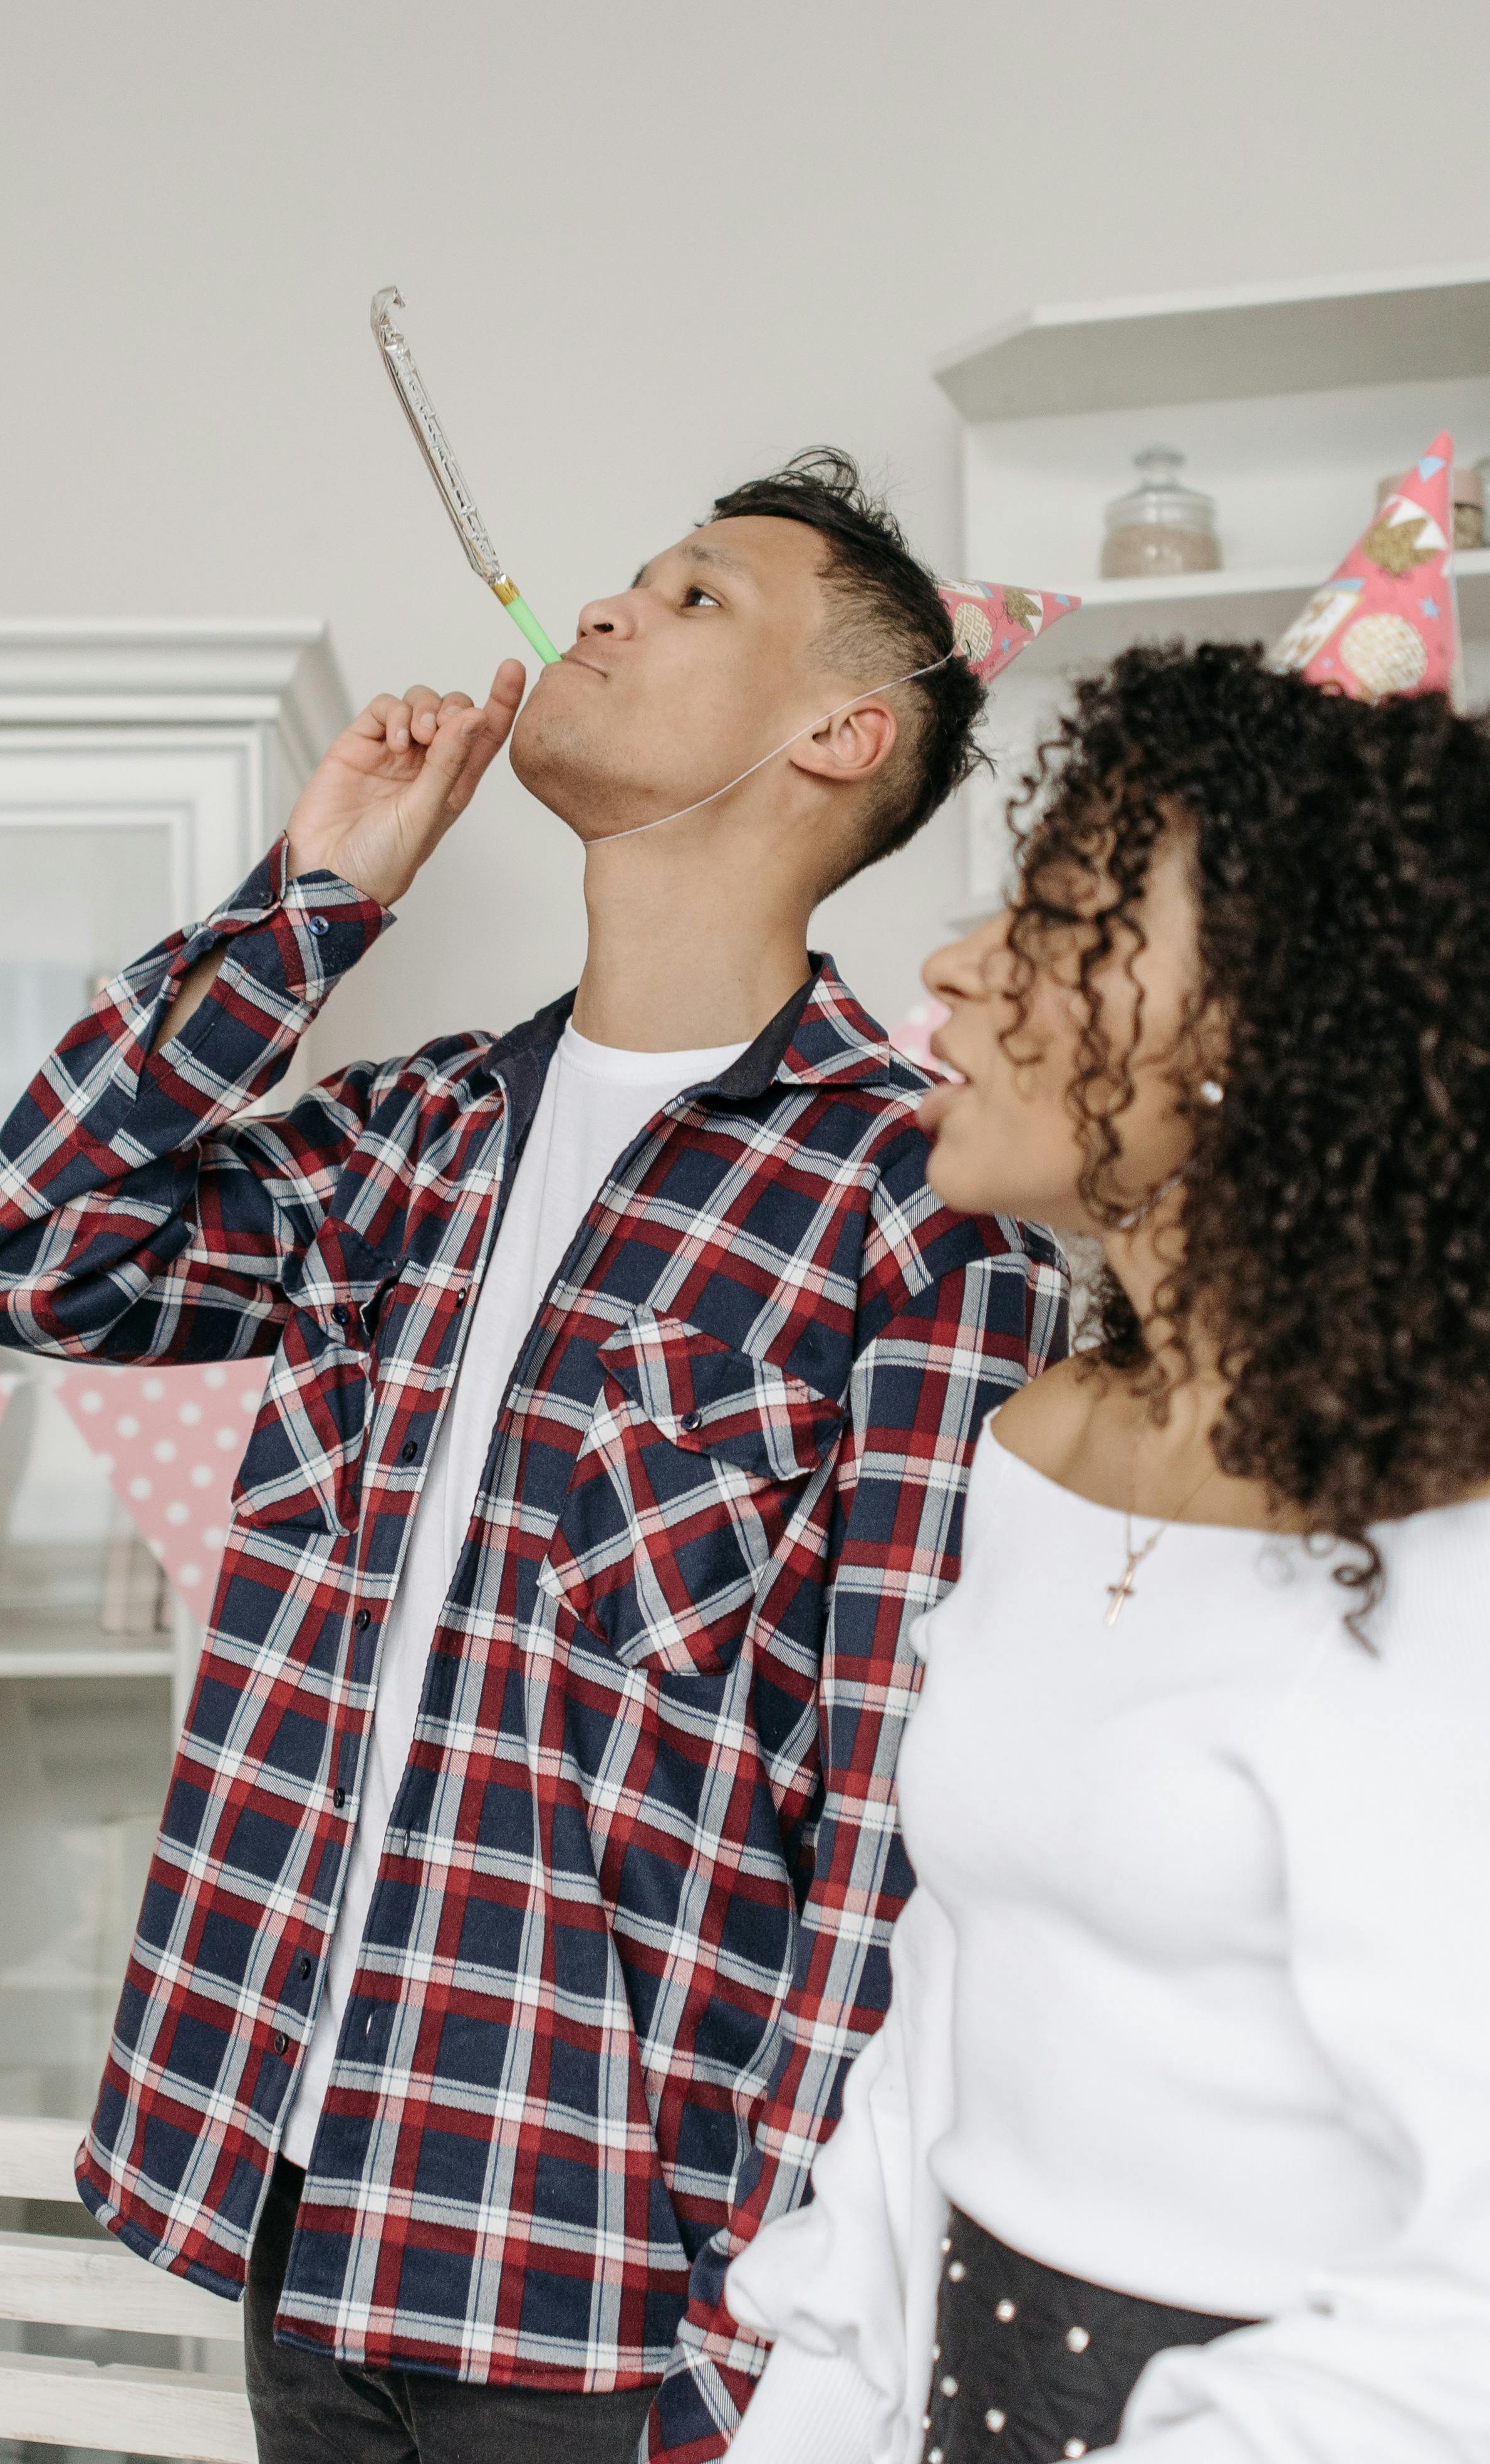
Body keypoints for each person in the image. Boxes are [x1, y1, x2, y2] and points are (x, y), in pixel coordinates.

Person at [0, 450, 1068, 2464]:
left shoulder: (925, 1209)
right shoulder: (410, 1138)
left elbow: (893, 1830)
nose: (609, 609)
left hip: (608, 2290)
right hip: (288, 2197)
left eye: (697, 596)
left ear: (842, 732)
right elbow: (23, 1251)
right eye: (623, 578)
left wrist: (759, 2337)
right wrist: (319, 894)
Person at [721, 640, 1490, 2464]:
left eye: (1060, 912)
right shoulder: (1042, 1447)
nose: (956, 963)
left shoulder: (1446, 1548)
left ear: (1268, 1023)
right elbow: (947, 2021)